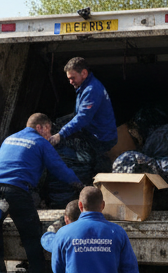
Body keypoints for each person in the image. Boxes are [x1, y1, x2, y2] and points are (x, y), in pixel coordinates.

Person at [0, 113, 82, 273]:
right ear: (40, 127)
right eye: (49, 131)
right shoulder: (40, 142)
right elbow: (58, 167)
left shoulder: (9, 139)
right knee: (31, 239)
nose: (50, 136)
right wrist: (79, 185)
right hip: (16, 190)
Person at [48, 57, 117, 186]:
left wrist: (60, 135)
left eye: (72, 78)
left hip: (100, 137)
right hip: (95, 130)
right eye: (69, 78)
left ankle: (86, 183)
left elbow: (83, 118)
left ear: (84, 73)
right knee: (59, 123)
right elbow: (78, 114)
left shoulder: (91, 90)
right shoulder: (84, 86)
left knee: (84, 160)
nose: (70, 82)